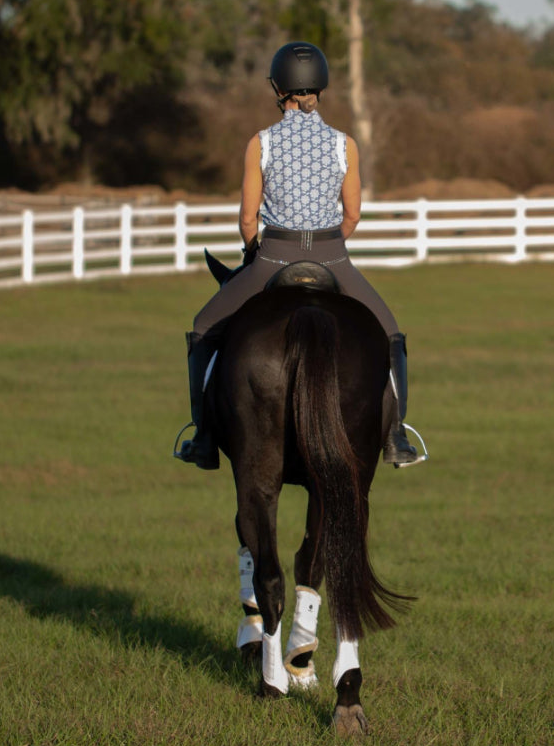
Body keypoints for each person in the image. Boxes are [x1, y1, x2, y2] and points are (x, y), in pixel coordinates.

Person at [178, 41, 419, 470]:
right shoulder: (345, 145)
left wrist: (255, 254)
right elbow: (353, 213)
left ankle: (202, 437)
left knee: (202, 327)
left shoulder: (261, 143)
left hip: (274, 255)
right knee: (390, 333)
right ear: (320, 86)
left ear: (278, 86)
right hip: (332, 256)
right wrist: (330, 245)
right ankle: (398, 435)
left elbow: (248, 220)